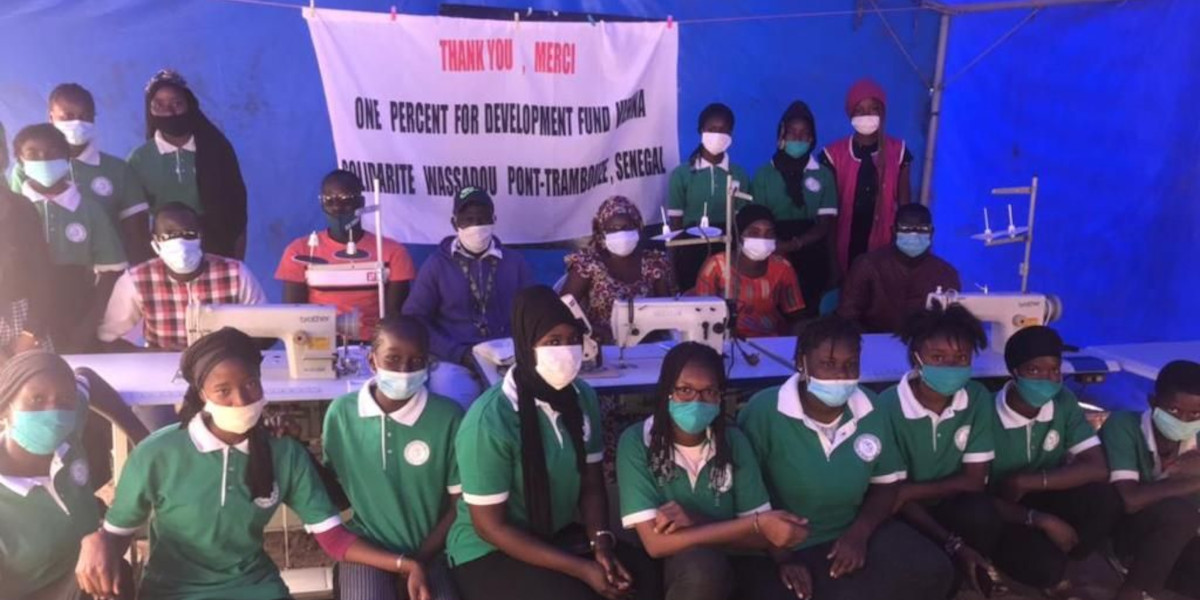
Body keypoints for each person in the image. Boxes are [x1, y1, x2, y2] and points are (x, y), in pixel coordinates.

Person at [77, 327, 433, 600]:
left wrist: (405, 564)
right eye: (223, 391)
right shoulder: (158, 453)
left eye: (251, 384)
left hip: (254, 587)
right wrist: (96, 540)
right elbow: (116, 536)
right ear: (202, 394)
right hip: (174, 590)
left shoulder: (282, 452)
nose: (241, 399)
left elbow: (333, 539)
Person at [447, 286, 654, 600]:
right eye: (552, 342)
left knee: (648, 578)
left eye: (572, 340)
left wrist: (601, 543)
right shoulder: (489, 421)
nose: (566, 350)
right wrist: (582, 569)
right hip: (486, 551)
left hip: (552, 535)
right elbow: (491, 528)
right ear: (526, 346)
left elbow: (592, 485)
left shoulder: (581, 397)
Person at [738, 315, 954, 600]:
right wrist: (783, 558)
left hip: (849, 528)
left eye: (851, 365)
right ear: (801, 363)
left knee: (934, 569)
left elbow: (886, 484)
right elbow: (748, 499)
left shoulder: (870, 407)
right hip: (781, 543)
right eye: (828, 364)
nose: (842, 375)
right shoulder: (763, 411)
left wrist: (858, 535)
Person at [616, 342, 809, 600]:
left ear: (720, 396)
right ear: (666, 392)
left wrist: (696, 520)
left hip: (732, 562)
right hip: (667, 567)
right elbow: (656, 544)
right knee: (701, 569)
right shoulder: (637, 441)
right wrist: (752, 526)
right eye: (685, 390)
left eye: (709, 391)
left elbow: (761, 538)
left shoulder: (733, 443)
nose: (697, 400)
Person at [323, 316, 464, 600]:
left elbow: (458, 505)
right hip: (367, 549)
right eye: (393, 359)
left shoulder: (447, 416)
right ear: (372, 361)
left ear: (428, 364)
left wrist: (418, 559)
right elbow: (337, 497)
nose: (404, 370)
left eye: (416, 361)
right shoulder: (341, 415)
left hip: (433, 547)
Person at [983, 325, 1121, 595]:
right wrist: (1041, 519)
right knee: (1043, 569)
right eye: (1034, 370)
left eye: (1054, 370)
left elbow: (1097, 466)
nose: (1047, 379)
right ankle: (1011, 562)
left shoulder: (1062, 401)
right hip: (1000, 509)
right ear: (1014, 372)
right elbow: (977, 495)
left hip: (1043, 492)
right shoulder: (984, 413)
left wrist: (1029, 481)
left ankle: (1071, 558)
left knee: (1106, 498)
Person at [0, 351, 148, 600]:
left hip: (97, 585)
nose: (53, 413)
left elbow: (85, 377)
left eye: (65, 401)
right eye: (36, 399)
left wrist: (143, 440)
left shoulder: (65, 438)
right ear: (5, 407)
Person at [880, 305, 1000, 593]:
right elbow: (892, 495)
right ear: (916, 358)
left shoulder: (977, 398)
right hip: (903, 513)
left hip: (947, 502)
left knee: (982, 513)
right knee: (926, 570)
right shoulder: (885, 407)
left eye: (961, 358)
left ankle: (963, 574)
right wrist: (950, 541)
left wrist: (910, 490)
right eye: (938, 357)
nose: (951, 367)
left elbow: (975, 480)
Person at [403, 187, 534, 408]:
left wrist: (517, 348)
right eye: (468, 219)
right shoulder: (437, 265)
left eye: (482, 219)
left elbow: (533, 310)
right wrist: (457, 352)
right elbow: (415, 318)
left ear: (494, 219)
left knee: (514, 413)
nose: (476, 226)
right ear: (455, 223)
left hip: (507, 359)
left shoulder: (514, 262)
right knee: (454, 409)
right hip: (455, 360)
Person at [11, 123, 128, 353]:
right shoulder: (12, 208)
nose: (43, 160)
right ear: (19, 160)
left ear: (66, 157)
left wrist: (87, 326)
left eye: (52, 153)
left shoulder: (89, 210)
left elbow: (111, 271)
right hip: (24, 311)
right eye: (33, 154)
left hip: (74, 305)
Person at [98, 202, 267, 351]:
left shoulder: (235, 272)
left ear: (201, 237)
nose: (179, 242)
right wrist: (153, 355)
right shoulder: (137, 280)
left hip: (223, 364)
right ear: (156, 243)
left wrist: (231, 354)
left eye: (189, 234)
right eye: (169, 235)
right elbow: (109, 338)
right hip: (163, 369)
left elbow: (266, 329)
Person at [1100, 360, 1200, 600]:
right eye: (1174, 411)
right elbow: (1131, 500)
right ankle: (1133, 592)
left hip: (1176, 539)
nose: (1185, 421)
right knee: (1179, 513)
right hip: (1123, 531)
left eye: (1196, 414)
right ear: (1153, 402)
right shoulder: (1124, 425)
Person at [276, 170, 416, 340]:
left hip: (373, 344)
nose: (337, 207)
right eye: (329, 200)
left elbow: (394, 317)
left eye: (346, 200)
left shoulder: (392, 252)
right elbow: (294, 314)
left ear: (361, 202)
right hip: (319, 342)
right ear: (321, 203)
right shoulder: (300, 251)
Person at [127, 69, 247, 259]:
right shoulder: (140, 158)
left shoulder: (216, 149)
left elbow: (237, 208)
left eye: (177, 103)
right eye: (159, 105)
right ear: (150, 110)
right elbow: (134, 216)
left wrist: (237, 259)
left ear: (189, 105)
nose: (169, 111)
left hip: (216, 246)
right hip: (166, 248)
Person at [28, 83, 150, 262]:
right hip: (43, 276)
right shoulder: (28, 170)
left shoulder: (118, 170)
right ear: (51, 117)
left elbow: (137, 236)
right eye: (68, 116)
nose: (77, 123)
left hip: (109, 273)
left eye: (86, 116)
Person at [750, 101, 838, 315]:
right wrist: (780, 248)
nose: (798, 138)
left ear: (812, 138)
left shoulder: (823, 174)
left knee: (808, 311)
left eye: (804, 133)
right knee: (774, 310)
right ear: (781, 135)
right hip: (773, 249)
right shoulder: (763, 174)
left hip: (811, 250)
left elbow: (826, 223)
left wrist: (795, 244)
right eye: (792, 132)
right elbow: (759, 219)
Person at [821, 78, 914, 275]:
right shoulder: (832, 154)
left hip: (884, 243)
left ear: (883, 113)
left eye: (873, 109)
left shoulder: (898, 152)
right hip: (843, 240)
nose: (867, 115)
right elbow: (827, 212)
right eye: (860, 110)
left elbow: (905, 208)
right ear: (850, 114)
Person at [562, 196, 675, 344]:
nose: (621, 233)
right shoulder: (588, 264)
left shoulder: (654, 263)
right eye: (612, 229)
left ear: (638, 228)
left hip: (648, 344)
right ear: (602, 233)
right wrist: (593, 330)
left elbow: (669, 310)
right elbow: (563, 308)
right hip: (602, 345)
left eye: (627, 227)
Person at [837, 203, 960, 333]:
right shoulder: (867, 265)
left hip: (925, 346)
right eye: (906, 228)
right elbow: (847, 317)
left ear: (932, 233)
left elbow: (951, 324)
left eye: (922, 229)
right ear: (894, 231)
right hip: (872, 344)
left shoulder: (945, 273)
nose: (914, 234)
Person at [667, 103, 751, 291]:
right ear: (701, 131)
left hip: (728, 247)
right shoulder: (682, 174)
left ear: (731, 134)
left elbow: (742, 224)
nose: (718, 135)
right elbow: (675, 225)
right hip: (690, 247)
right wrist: (672, 268)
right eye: (712, 129)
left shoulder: (739, 174)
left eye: (724, 130)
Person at [694, 204, 804, 338]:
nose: (762, 239)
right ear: (740, 235)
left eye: (769, 233)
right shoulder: (716, 266)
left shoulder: (782, 267)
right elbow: (701, 312)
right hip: (724, 341)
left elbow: (796, 315)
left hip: (770, 340)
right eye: (754, 233)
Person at [0, 121, 53, 357]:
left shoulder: (22, 207)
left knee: (37, 389)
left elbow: (42, 274)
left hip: (26, 322)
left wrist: (30, 333)